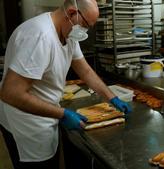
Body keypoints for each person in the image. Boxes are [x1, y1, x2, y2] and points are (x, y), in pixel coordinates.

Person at [0, 0, 131, 168]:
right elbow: (11, 93)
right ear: (71, 13)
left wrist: (112, 97)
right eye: (84, 25)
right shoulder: (40, 37)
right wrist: (63, 114)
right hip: (26, 123)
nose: (84, 31)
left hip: (46, 116)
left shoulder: (68, 32)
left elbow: (85, 71)